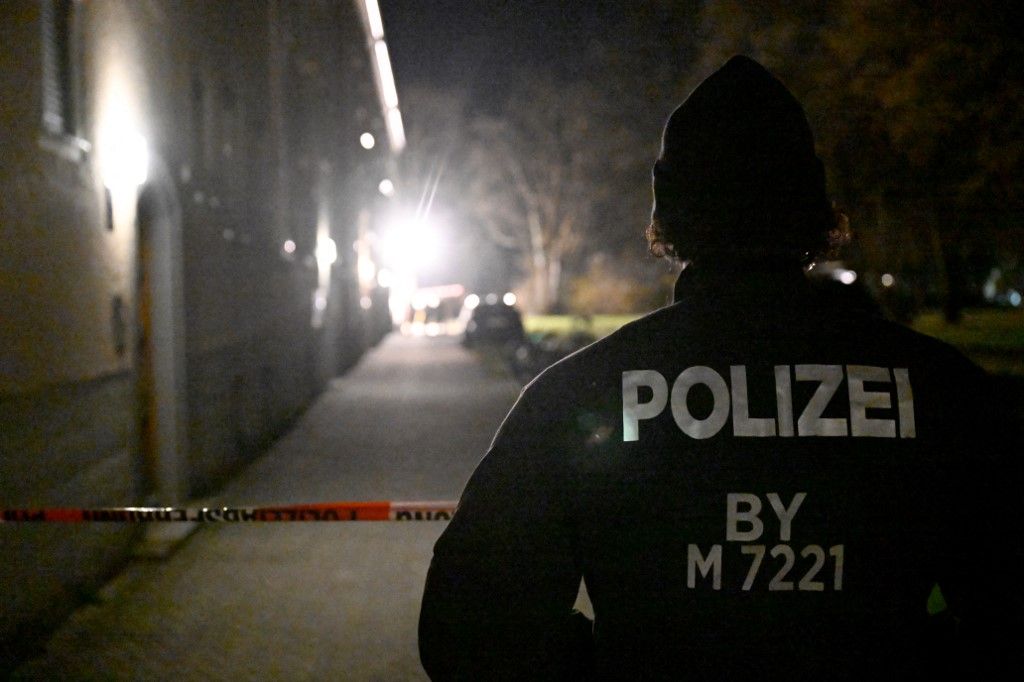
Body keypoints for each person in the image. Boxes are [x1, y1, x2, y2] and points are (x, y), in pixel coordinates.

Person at [418, 56, 1022, 680]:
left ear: (669, 217)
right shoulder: (939, 391)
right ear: (813, 210)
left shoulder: (583, 393)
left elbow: (467, 632)